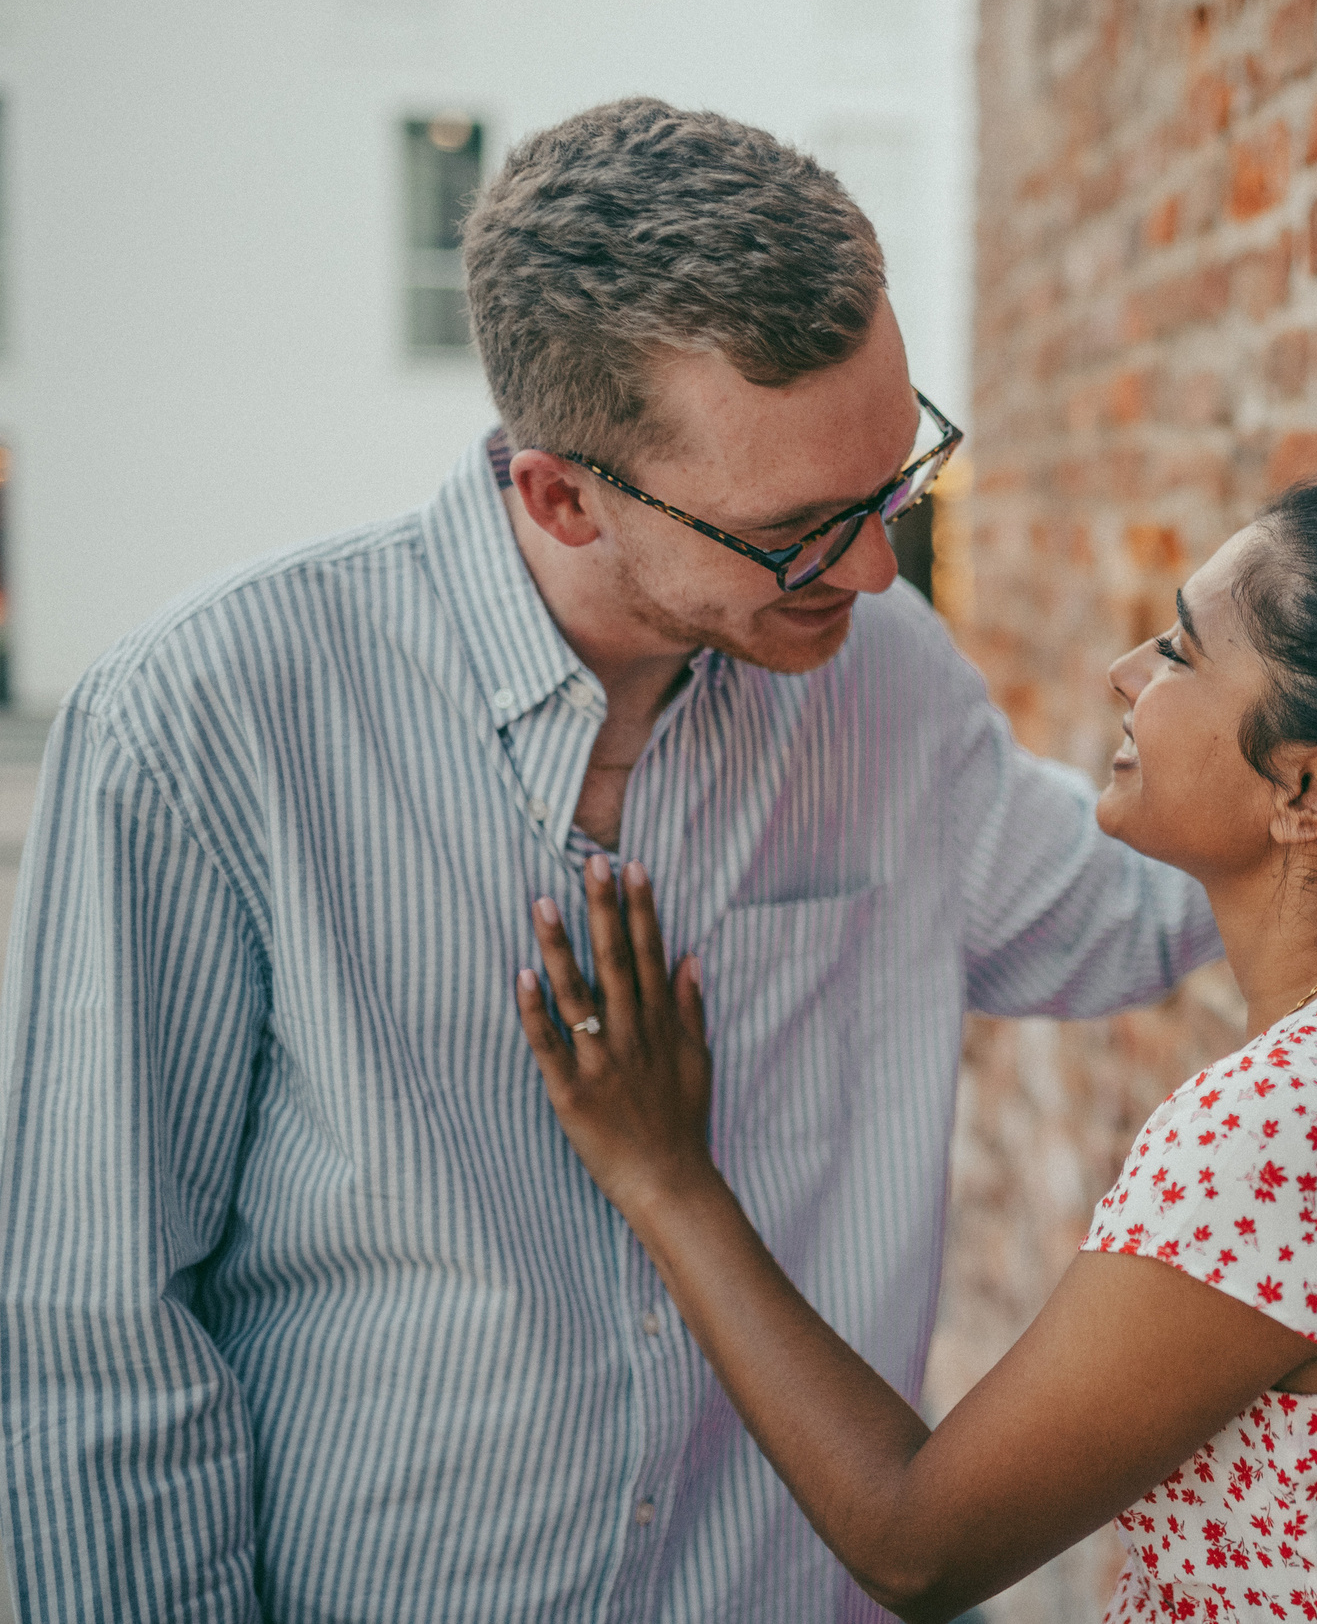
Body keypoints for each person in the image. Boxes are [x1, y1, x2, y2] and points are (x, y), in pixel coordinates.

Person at [0, 98, 1222, 1620]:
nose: (875, 566)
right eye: (799, 530)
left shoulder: (884, 672)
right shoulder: (200, 728)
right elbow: (93, 1341)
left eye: (898, 478)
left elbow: (1144, 901)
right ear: (562, 494)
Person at [515, 481, 1317, 1621]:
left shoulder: (1292, 1132)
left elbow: (914, 1543)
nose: (1124, 672)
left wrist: (666, 1173)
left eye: (1178, 648)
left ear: (1312, 786)